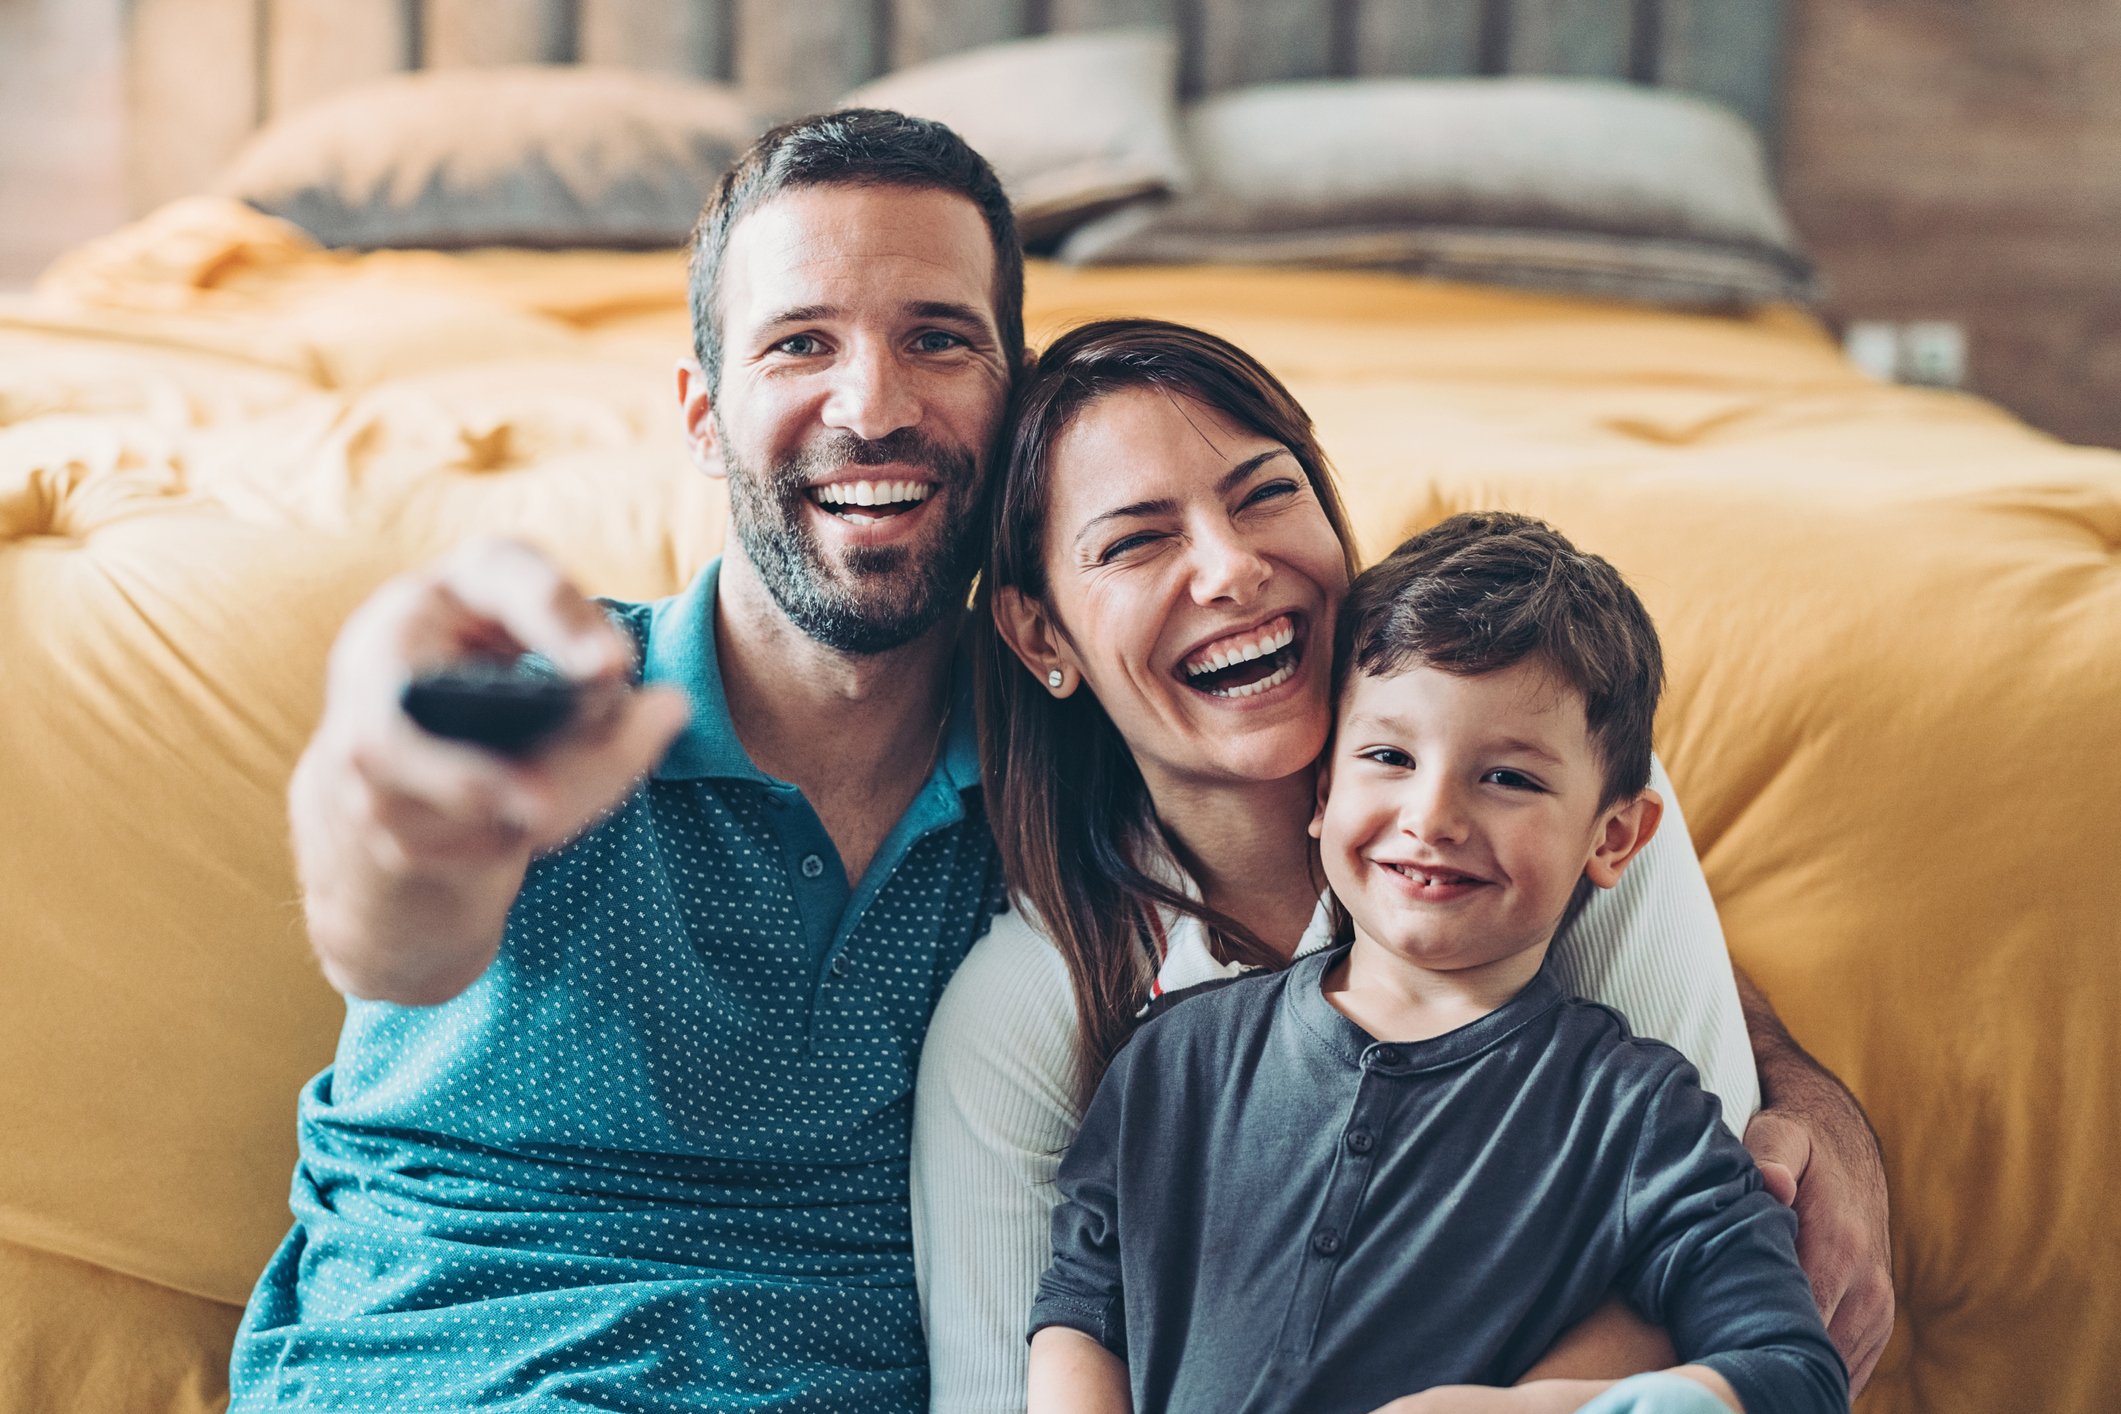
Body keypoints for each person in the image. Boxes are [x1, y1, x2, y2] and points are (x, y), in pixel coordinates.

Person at [911, 320, 1890, 1410]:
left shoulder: (1558, 785)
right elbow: (1035, 1358)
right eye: (1136, 541)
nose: (1232, 569)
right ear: (1041, 636)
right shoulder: (1052, 1017)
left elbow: (1701, 1247)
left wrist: (1817, 1106)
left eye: (1265, 494)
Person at [229, 110, 1023, 1411]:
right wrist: (397, 802)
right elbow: (395, 931)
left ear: (1015, 400)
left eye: (937, 338)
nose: (872, 406)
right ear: (703, 416)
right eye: (799, 343)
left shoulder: (1078, 775)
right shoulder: (550, 703)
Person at [1023, 512, 1849, 1414]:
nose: (1433, 815)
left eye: (1509, 778)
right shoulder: (1177, 1061)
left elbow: (1791, 1370)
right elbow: (1081, 1305)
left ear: (1614, 837)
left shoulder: (1637, 1114)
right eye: (1388, 756)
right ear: (1324, 789)